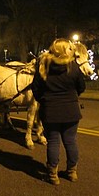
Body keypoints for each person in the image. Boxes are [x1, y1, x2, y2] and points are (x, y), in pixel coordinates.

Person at [31, 38, 86, 185]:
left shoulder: (44, 67)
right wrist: (72, 97)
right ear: (63, 50)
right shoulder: (73, 66)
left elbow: (35, 88)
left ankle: (52, 174)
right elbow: (81, 86)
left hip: (50, 111)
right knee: (70, 141)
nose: (70, 50)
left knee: (53, 142)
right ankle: (72, 172)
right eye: (68, 48)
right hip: (71, 110)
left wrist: (44, 100)